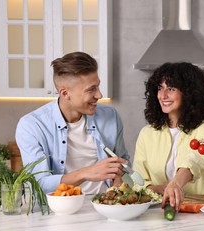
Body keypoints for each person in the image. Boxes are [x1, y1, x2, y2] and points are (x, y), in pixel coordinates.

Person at [15, 52, 129, 195]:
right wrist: (86, 173)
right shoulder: (31, 126)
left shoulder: (110, 116)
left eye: (98, 87)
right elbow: (39, 184)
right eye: (91, 89)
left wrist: (119, 178)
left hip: (105, 205)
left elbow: (122, 163)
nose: (99, 95)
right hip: (60, 210)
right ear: (65, 93)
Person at [133, 62, 204, 210]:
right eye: (160, 88)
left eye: (171, 89)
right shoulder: (146, 133)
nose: (163, 95)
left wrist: (176, 183)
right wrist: (157, 189)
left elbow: (196, 159)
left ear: (189, 93)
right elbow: (138, 179)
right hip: (161, 209)